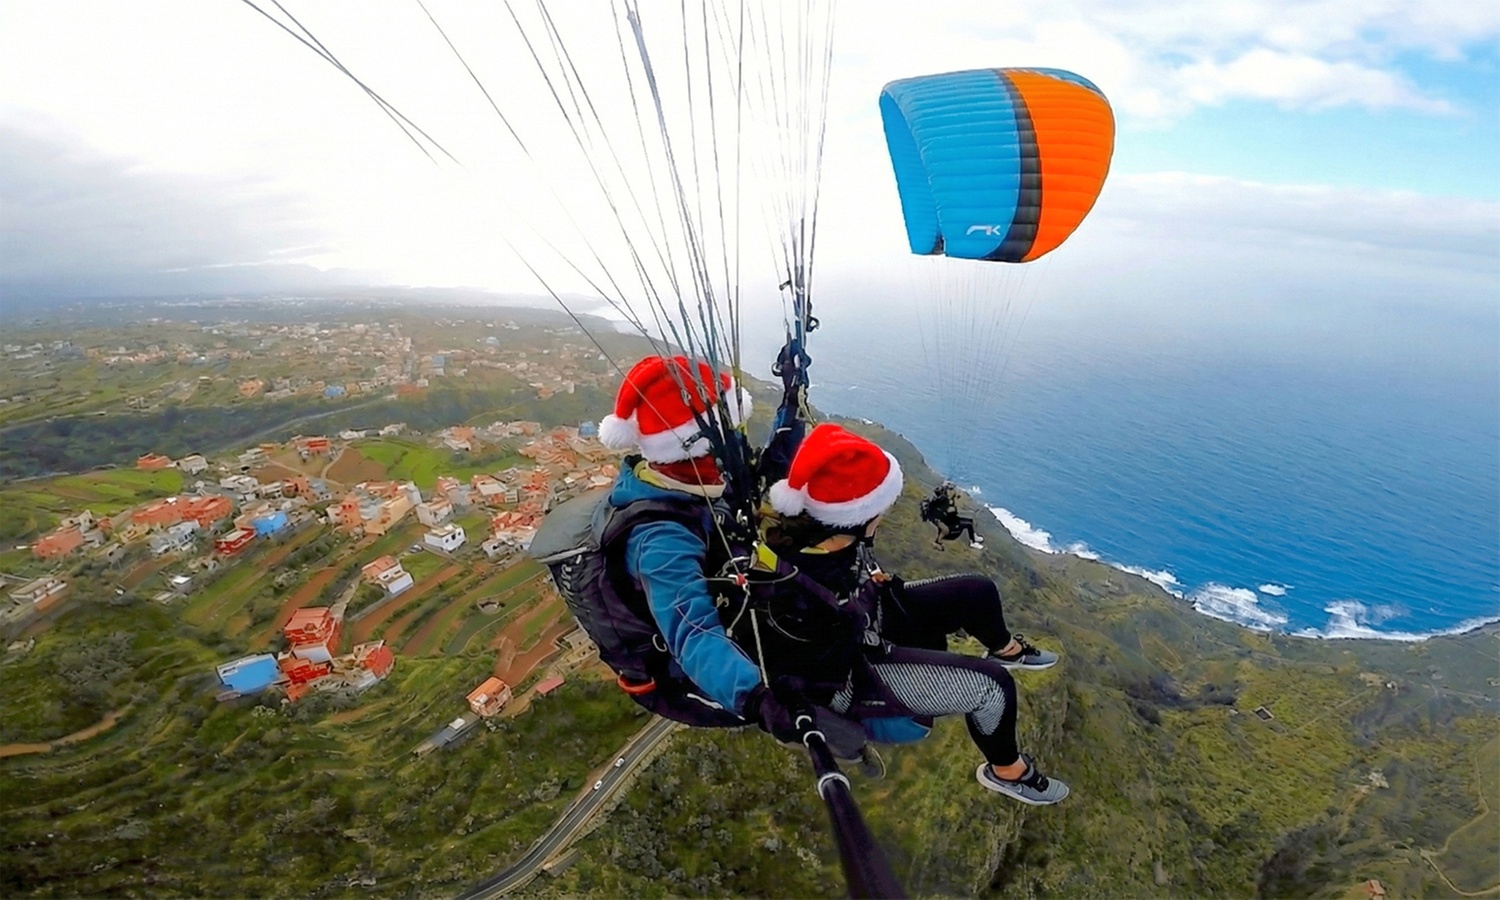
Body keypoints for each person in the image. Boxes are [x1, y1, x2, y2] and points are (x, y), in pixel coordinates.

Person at [761, 424, 1069, 805]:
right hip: (855, 672)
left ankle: (1007, 649)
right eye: (879, 509)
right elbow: (827, 655)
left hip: (869, 616)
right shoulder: (804, 587)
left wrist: (875, 587)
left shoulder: (829, 539)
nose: (885, 516)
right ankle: (1009, 772)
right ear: (854, 518)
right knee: (993, 687)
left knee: (978, 590)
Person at [923, 481, 984, 549]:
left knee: (970, 520)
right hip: (949, 523)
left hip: (949, 519)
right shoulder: (941, 504)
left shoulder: (938, 501)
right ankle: (972, 542)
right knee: (968, 524)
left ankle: (973, 536)